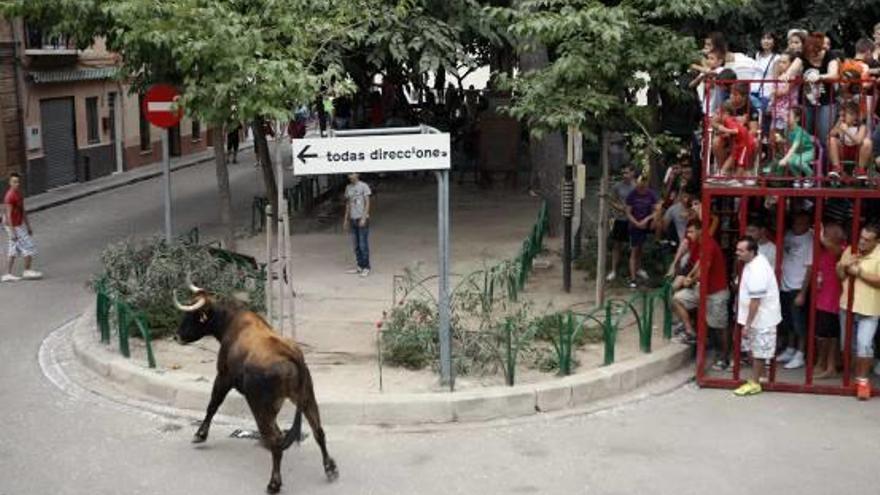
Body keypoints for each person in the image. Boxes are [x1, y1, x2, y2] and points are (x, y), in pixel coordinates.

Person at [671, 220, 730, 366]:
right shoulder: (699, 243)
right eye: (687, 232)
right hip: (701, 288)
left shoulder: (709, 244)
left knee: (719, 326)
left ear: (700, 231)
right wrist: (688, 277)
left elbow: (704, 268)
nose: (688, 235)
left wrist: (689, 281)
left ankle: (724, 356)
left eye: (691, 232)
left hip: (716, 291)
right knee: (677, 299)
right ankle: (691, 332)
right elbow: (698, 263)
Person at [734, 236, 782, 396]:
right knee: (756, 349)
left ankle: (755, 382)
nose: (737, 253)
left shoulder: (758, 269)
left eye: (741, 250)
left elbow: (756, 300)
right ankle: (761, 377)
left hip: (761, 317)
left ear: (751, 252)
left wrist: (747, 324)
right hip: (758, 317)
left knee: (759, 352)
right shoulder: (753, 262)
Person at [837, 224, 880, 400]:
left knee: (864, 345)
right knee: (847, 346)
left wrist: (859, 272)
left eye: (867, 240)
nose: (862, 242)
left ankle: (862, 381)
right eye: (861, 237)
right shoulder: (850, 250)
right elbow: (840, 276)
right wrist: (843, 265)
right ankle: (853, 376)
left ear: (877, 241)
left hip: (869, 308)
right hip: (847, 306)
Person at [777, 211, 814, 370]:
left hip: (797, 287)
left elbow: (810, 268)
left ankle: (800, 354)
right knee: (788, 321)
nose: (797, 226)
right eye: (795, 222)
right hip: (784, 285)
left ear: (807, 224)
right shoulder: (788, 234)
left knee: (800, 324)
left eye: (801, 223)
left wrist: (803, 293)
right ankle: (790, 349)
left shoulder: (809, 241)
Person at [814, 223, 846, 379]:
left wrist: (820, 237)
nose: (822, 236)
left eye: (826, 233)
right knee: (822, 334)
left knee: (831, 335)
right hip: (822, 298)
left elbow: (836, 250)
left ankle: (830, 366)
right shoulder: (823, 251)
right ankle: (822, 363)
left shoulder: (843, 249)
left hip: (833, 299)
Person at [801, 32, 840, 147]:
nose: (810, 55)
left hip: (827, 101)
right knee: (805, 134)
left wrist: (820, 77)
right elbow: (792, 69)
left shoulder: (830, 55)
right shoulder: (803, 55)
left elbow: (834, 74)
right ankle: (806, 162)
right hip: (807, 101)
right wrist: (786, 75)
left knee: (824, 136)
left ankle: (825, 163)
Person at [3, 173, 41, 282]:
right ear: (10, 183)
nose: (17, 184)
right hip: (13, 226)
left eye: (18, 182)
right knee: (29, 245)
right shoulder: (9, 196)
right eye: (14, 182)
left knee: (13, 250)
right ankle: (27, 271)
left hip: (17, 225)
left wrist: (28, 226)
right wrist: (13, 232)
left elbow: (23, 211)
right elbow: (8, 215)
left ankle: (7, 274)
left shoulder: (19, 194)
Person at [624, 174, 659, 289]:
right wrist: (636, 223)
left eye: (644, 186)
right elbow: (628, 212)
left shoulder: (651, 194)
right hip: (634, 226)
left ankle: (639, 269)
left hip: (645, 225)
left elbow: (656, 211)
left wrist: (647, 219)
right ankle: (633, 279)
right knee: (634, 251)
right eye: (640, 186)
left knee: (640, 249)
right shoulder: (632, 195)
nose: (641, 188)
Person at [713, 101, 756, 180]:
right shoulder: (730, 120)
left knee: (741, 163)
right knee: (733, 157)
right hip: (739, 143)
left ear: (726, 113)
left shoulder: (729, 121)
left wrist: (728, 131)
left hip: (746, 144)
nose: (718, 116)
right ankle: (722, 173)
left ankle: (738, 179)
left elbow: (735, 131)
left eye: (719, 113)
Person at [829, 101, 872, 180]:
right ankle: (837, 168)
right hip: (843, 151)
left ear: (854, 116)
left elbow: (858, 141)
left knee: (867, 142)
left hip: (856, 153)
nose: (844, 117)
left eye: (846, 114)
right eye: (843, 115)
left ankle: (861, 170)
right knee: (832, 139)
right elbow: (831, 134)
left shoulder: (862, 126)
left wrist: (847, 131)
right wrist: (839, 122)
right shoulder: (841, 124)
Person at [607, 166, 636, 283]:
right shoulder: (617, 186)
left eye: (627, 172)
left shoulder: (636, 186)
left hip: (633, 219)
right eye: (623, 173)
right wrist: (620, 208)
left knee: (635, 246)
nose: (625, 175)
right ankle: (614, 270)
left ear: (632, 173)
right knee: (616, 245)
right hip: (620, 219)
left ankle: (636, 270)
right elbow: (612, 200)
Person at [777, 106, 815, 187]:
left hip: (808, 152)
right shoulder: (786, 129)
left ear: (797, 119)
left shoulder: (799, 131)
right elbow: (789, 142)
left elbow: (794, 146)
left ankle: (811, 177)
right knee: (790, 161)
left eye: (789, 115)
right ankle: (798, 178)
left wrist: (784, 159)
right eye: (786, 114)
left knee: (798, 161)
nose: (786, 117)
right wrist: (781, 140)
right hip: (798, 153)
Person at [343, 173, 371, 277]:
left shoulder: (363, 186)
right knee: (356, 245)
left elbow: (367, 202)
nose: (350, 176)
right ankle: (359, 266)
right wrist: (346, 219)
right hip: (353, 219)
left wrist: (364, 217)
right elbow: (348, 204)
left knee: (363, 244)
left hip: (362, 218)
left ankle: (366, 267)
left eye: (352, 174)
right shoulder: (348, 188)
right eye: (349, 174)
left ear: (357, 174)